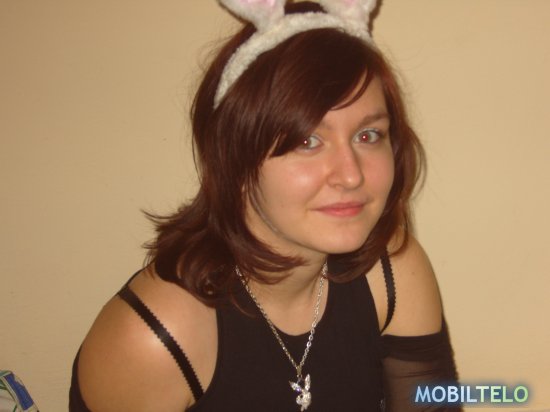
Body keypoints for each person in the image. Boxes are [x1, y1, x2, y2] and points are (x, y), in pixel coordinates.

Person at [70, 1, 461, 411]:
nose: (351, 176)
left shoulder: (392, 268)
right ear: (234, 158)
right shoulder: (156, 340)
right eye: (307, 141)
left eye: (368, 136)